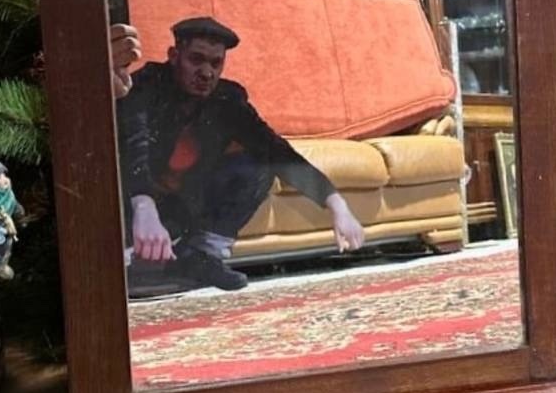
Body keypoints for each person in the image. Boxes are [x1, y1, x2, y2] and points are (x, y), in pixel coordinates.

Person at [108, 16, 365, 295]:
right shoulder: (146, 84)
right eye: (196, 59)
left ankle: (202, 256)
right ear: (174, 56)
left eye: (215, 63)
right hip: (132, 204)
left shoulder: (227, 98)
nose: (206, 72)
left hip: (182, 208)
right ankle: (133, 261)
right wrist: (143, 205)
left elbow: (275, 150)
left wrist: (336, 204)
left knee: (260, 164)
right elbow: (133, 145)